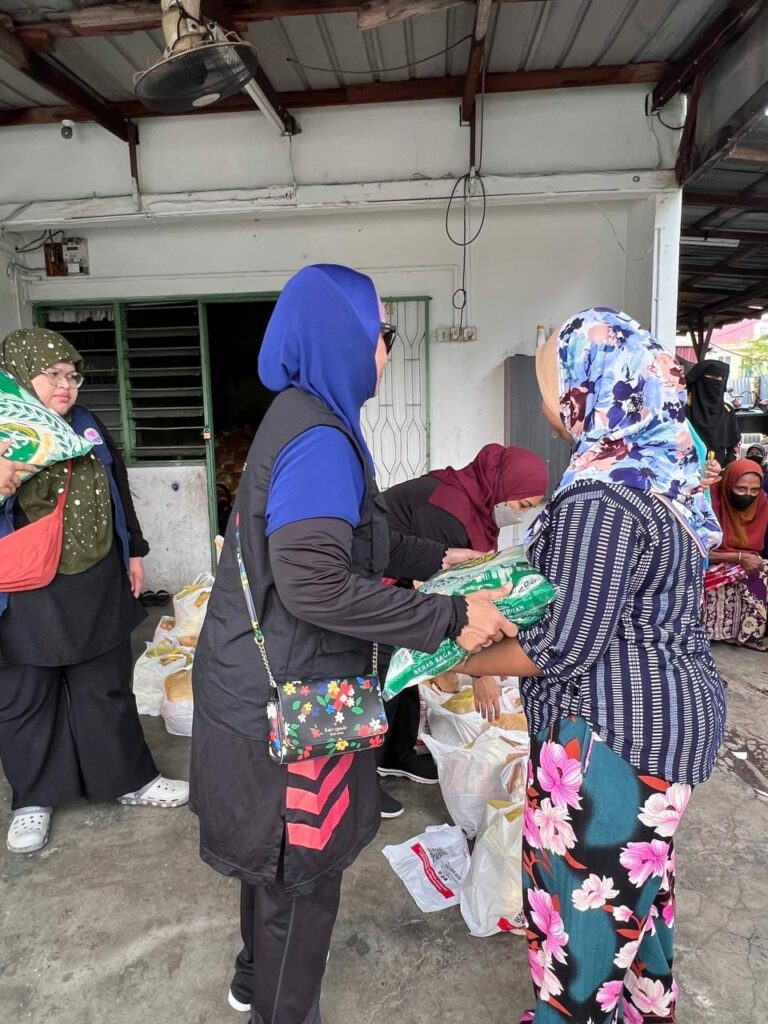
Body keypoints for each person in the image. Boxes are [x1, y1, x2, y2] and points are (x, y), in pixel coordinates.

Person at [188, 265, 515, 1024]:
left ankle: (250, 977)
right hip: (295, 704)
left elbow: (356, 541)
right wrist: (449, 619)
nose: (387, 352)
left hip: (257, 688)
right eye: (383, 335)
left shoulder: (301, 416)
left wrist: (439, 560)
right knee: (302, 875)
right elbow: (313, 584)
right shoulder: (319, 440)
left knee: (271, 866)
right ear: (344, 340)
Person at [459, 308, 725, 1024]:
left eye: (557, 377)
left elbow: (560, 647)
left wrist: (465, 656)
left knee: (583, 926)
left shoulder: (601, 495)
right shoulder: (662, 476)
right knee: (635, 909)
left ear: (592, 383)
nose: (552, 399)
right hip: (664, 725)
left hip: (611, 739)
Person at [0, 328, 188, 855]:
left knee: (104, 688)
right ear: (18, 374)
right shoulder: (3, 430)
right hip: (25, 588)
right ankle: (32, 800)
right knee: (26, 697)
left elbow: (117, 488)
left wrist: (134, 551)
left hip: (97, 578)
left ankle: (131, 780)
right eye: (52, 374)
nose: (66, 385)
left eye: (72, 374)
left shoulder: (86, 425)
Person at [378, 445, 548, 790]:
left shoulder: (475, 504)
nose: (520, 515)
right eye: (520, 506)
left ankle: (397, 755)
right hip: (372, 584)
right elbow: (446, 591)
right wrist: (480, 671)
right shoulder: (449, 511)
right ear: (503, 488)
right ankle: (367, 776)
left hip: (401, 582)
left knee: (408, 669)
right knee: (385, 672)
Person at [705, 459, 768, 650]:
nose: (748, 495)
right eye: (740, 489)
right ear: (728, 484)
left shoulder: (762, 503)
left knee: (761, 572)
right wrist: (738, 557)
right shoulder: (710, 499)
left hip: (742, 562)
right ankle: (715, 631)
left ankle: (747, 633)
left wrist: (743, 559)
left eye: (754, 490)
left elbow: (755, 551)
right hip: (707, 562)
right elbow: (697, 549)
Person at [685, 358, 740, 468]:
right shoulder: (682, 410)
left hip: (719, 474)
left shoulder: (727, 410)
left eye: (722, 379)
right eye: (714, 378)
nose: (718, 382)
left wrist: (723, 468)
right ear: (699, 379)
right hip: (687, 474)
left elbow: (734, 445)